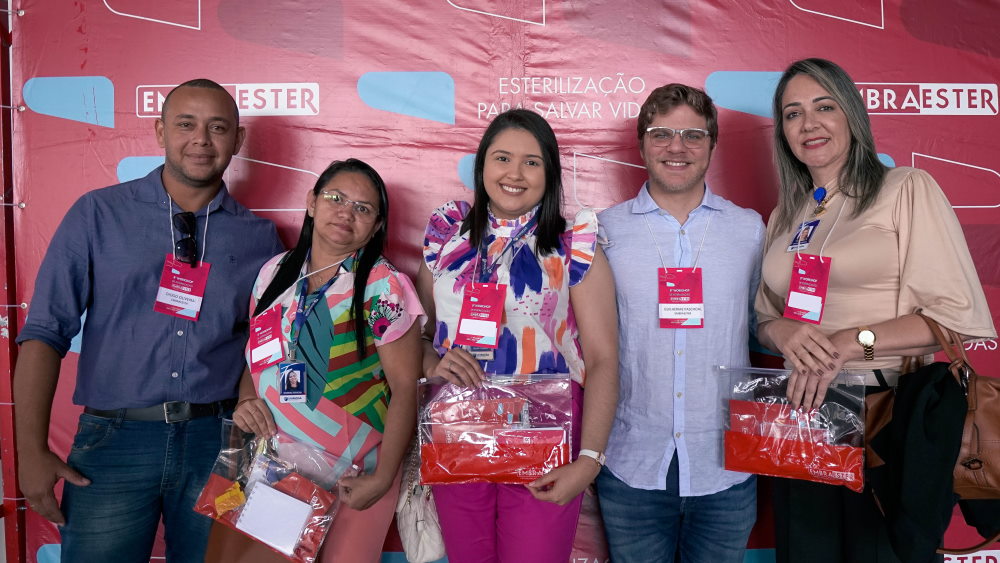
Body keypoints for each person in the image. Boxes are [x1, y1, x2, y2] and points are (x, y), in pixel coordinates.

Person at [13, 79, 285, 562]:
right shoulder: (98, 214)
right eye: (186, 124)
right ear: (160, 131)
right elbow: (44, 333)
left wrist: (247, 401)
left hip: (217, 444)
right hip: (114, 443)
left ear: (237, 140)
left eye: (218, 127)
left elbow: (263, 345)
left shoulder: (260, 238)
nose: (201, 139)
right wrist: (30, 451)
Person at [754, 58, 996, 563]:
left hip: (885, 410)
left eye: (824, 106)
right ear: (783, 131)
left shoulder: (905, 188)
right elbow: (764, 318)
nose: (809, 123)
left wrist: (850, 342)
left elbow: (953, 318)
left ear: (851, 114)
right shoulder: (786, 213)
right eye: (793, 113)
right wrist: (782, 332)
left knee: (881, 553)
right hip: (800, 414)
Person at [416, 108, 618, 562]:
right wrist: (433, 361)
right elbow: (419, 334)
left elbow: (604, 358)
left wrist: (589, 460)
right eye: (502, 158)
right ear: (482, 165)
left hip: (543, 431)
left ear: (550, 173)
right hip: (458, 428)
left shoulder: (573, 246)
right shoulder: (447, 237)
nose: (515, 173)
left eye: (532, 162)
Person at [215, 158, 423, 562]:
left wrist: (382, 478)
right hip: (276, 462)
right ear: (311, 202)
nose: (346, 212)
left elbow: (406, 387)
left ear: (377, 226)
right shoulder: (275, 272)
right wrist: (246, 399)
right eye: (335, 198)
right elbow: (256, 356)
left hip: (356, 470)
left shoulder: (383, 286)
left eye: (363, 208)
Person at [594, 83, 764, 562]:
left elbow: (762, 324)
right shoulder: (603, 231)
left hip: (726, 466)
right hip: (631, 462)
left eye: (693, 135)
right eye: (661, 134)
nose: (677, 147)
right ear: (642, 143)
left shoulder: (749, 229)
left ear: (712, 144)